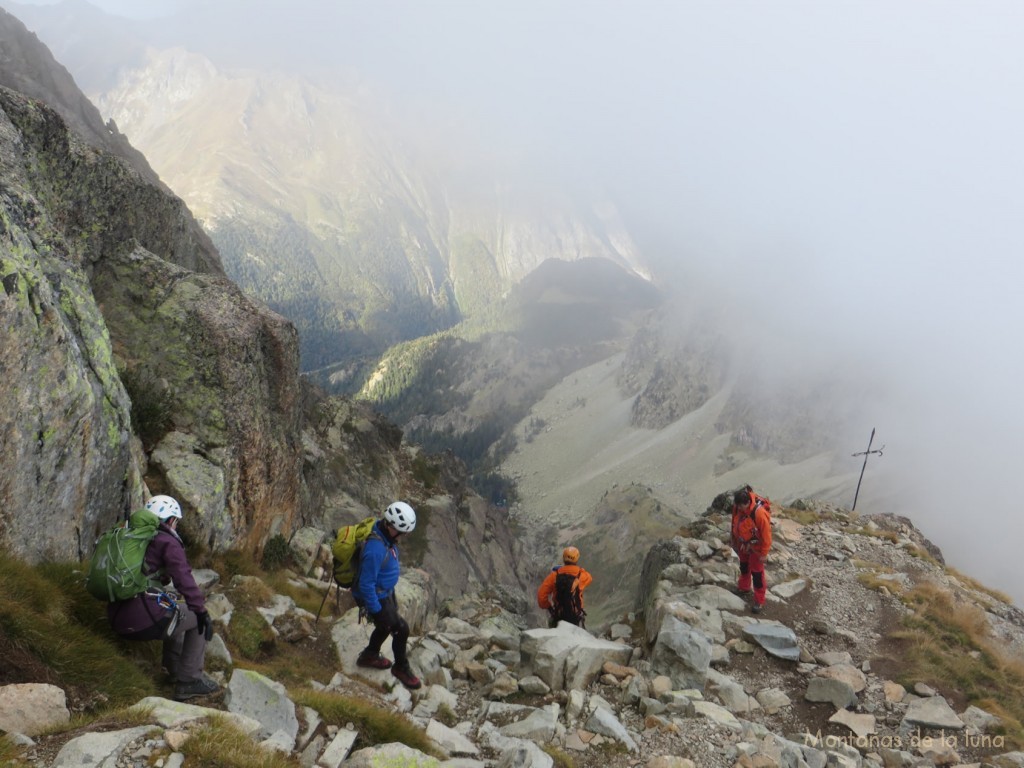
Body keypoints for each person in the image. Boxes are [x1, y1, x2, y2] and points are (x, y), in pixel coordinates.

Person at [107, 495, 220, 701]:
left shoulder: (129, 535)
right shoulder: (166, 540)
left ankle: (174, 670)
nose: (176, 525)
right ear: (170, 520)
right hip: (142, 619)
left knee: (175, 606)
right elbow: (183, 579)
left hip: (116, 618)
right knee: (196, 619)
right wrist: (202, 611)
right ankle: (189, 680)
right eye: (176, 521)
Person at [351, 501, 422, 690]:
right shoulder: (375, 549)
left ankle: (370, 655)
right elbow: (366, 585)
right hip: (377, 596)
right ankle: (400, 667)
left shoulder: (384, 533)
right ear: (393, 527)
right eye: (403, 532)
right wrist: (377, 611)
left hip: (385, 592)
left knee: (385, 627)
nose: (405, 536)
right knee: (401, 629)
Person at [730, 486, 773, 613]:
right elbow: (734, 522)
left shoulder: (759, 514)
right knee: (743, 566)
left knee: (757, 573)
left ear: (748, 503)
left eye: (741, 507)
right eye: (737, 506)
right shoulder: (738, 507)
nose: (739, 509)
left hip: (757, 547)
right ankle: (744, 587)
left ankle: (759, 601)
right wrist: (734, 539)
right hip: (743, 543)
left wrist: (764, 553)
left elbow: (766, 535)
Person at [537, 546, 593, 627]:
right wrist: (580, 570)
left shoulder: (554, 576)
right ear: (577, 559)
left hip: (559, 615)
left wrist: (549, 607)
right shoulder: (582, 575)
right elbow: (590, 578)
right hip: (575, 617)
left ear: (563, 558)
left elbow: (541, 596)